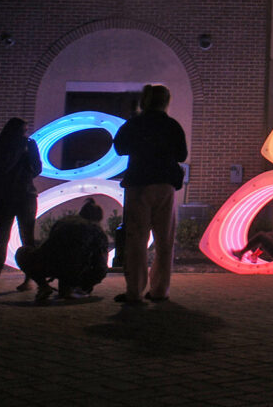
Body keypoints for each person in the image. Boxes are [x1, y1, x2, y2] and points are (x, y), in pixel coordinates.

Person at [112, 84, 187, 305]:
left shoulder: (134, 123)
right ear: (166, 101)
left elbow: (120, 148)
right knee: (165, 239)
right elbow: (181, 154)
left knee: (136, 239)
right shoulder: (171, 125)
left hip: (138, 183)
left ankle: (134, 291)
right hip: (164, 183)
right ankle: (159, 290)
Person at [0, 117, 41, 294]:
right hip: (23, 195)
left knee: (3, 238)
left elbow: (2, 169)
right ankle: (28, 280)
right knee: (25, 237)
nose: (25, 134)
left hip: (5, 196)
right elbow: (36, 168)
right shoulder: (25, 145)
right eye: (24, 131)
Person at [15, 197, 110, 303]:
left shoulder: (63, 222)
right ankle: (71, 289)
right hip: (74, 270)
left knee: (22, 252)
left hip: (47, 265)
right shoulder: (97, 231)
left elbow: (51, 248)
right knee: (87, 266)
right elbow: (101, 265)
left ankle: (44, 286)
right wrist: (87, 284)